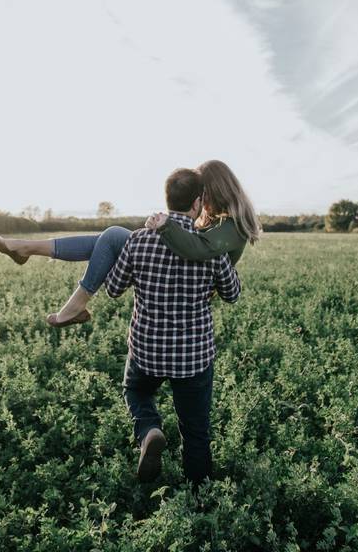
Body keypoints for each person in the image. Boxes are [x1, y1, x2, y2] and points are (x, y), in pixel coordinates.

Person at [0, 160, 260, 326]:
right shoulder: (219, 221)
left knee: (113, 237)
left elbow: (197, 249)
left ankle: (68, 300)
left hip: (190, 281)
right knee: (108, 240)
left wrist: (164, 225)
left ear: (211, 192)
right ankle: (26, 248)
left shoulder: (232, 225)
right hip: (180, 268)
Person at [103, 168, 240, 485]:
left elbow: (113, 289)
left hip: (147, 351)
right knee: (196, 431)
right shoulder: (209, 248)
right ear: (198, 202)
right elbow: (232, 294)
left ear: (167, 200)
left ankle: (149, 429)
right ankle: (199, 496)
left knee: (135, 391)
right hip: (193, 358)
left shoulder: (138, 240)